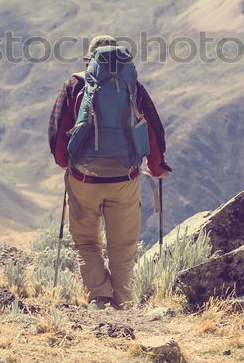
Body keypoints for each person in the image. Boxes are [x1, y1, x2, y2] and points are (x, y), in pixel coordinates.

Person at [47, 34, 171, 310]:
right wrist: (156, 167)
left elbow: (57, 131)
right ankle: (125, 301)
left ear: (91, 60)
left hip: (83, 179)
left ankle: (100, 297)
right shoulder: (132, 86)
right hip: (124, 178)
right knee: (123, 245)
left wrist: (67, 164)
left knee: (87, 242)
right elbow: (151, 127)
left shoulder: (75, 85)